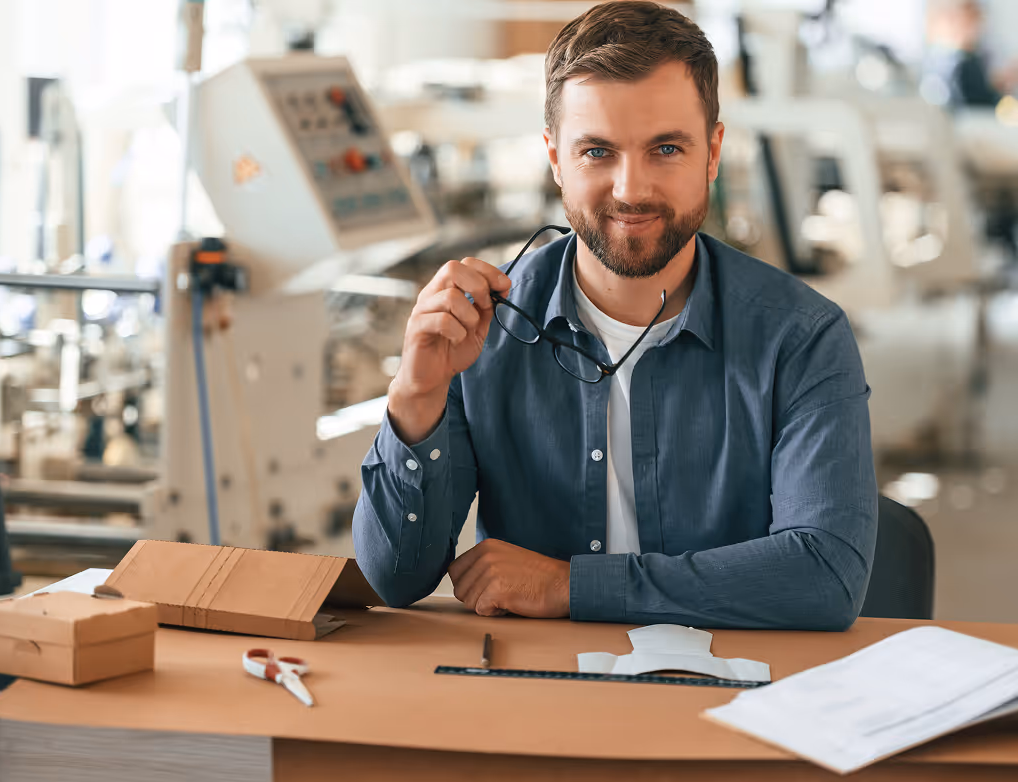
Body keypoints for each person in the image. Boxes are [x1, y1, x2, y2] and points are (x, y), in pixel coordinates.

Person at [353, 1, 877, 631]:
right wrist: (416, 396)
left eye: (665, 148)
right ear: (555, 158)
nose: (631, 189)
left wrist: (571, 586)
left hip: (733, 697)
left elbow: (824, 578)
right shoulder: (482, 328)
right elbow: (397, 579)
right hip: (540, 693)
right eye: (597, 152)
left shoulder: (802, 336)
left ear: (712, 154)